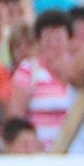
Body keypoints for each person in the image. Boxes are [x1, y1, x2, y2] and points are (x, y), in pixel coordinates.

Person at [6, 10, 72, 150]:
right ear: (38, 41)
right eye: (48, 39)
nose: (54, 44)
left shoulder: (79, 72)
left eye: (59, 38)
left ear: (68, 40)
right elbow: (16, 117)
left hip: (75, 153)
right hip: (40, 154)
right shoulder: (28, 70)